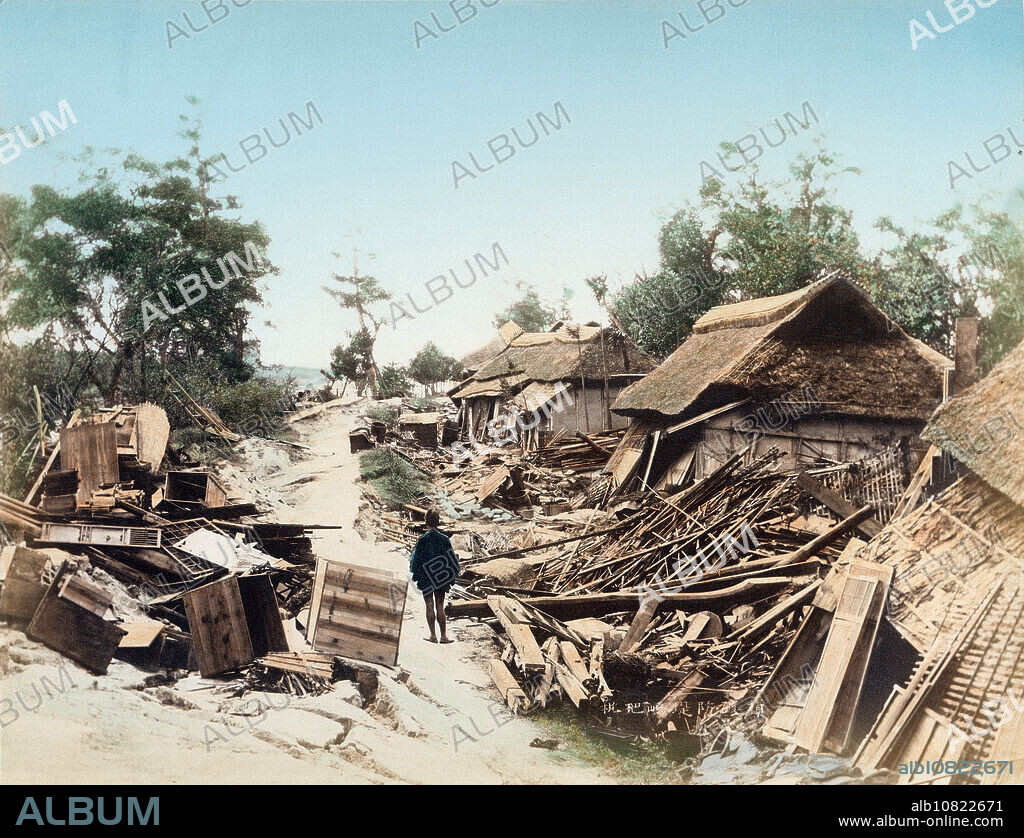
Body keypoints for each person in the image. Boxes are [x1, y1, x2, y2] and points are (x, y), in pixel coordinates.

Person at [409, 509, 460, 643]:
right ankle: (444, 636)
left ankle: (433, 636)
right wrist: (451, 574)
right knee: (439, 605)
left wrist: (416, 574)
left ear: (426, 522)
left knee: (429, 605)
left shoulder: (422, 540)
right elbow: (451, 559)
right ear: (438, 522)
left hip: (426, 577)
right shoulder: (444, 539)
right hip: (440, 576)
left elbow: (415, 560)